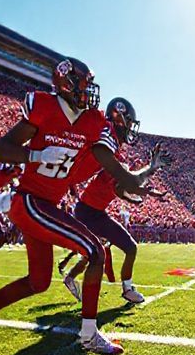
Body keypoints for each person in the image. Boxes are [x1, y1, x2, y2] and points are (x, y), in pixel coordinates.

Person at [0, 58, 161, 355]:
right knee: (96, 252)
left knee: (37, 282)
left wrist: (145, 173)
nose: (89, 92)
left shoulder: (94, 122)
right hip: (30, 201)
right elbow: (3, 149)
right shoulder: (44, 106)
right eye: (83, 84)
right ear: (65, 84)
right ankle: (89, 335)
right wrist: (36, 155)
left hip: (46, 205)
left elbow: (116, 170)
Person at [58, 97, 169, 305]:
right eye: (129, 123)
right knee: (108, 252)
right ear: (120, 119)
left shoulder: (114, 155)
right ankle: (117, 293)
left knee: (104, 251)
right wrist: (150, 174)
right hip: (87, 212)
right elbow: (129, 182)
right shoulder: (107, 148)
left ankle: (73, 278)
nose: (130, 128)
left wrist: (135, 196)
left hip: (94, 212)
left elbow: (120, 188)